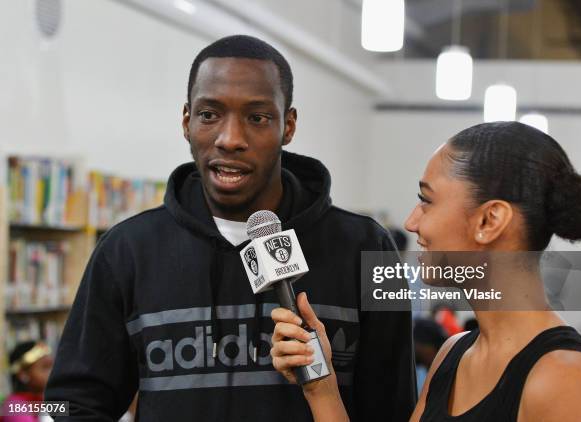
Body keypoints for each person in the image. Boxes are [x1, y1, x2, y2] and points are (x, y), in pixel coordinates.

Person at [44, 35, 416, 421]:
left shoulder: (370, 248)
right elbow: (66, 404)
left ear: (288, 126)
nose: (230, 139)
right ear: (187, 121)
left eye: (257, 118)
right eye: (209, 115)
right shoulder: (125, 250)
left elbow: (394, 406)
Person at [271, 121, 581, 421]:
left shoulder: (565, 378)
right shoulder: (454, 354)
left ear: (489, 220)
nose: (412, 221)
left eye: (427, 200)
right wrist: (321, 387)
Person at [1, 341, 54, 422]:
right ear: (23, 375)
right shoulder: (14, 406)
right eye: (45, 367)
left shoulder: (49, 401)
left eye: (53, 366)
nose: (52, 372)